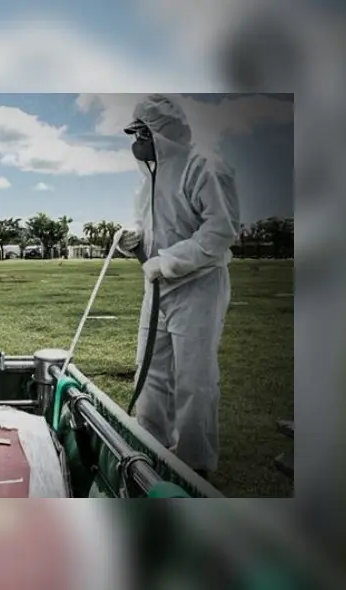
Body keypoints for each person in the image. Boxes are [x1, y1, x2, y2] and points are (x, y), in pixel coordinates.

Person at [115, 95, 241, 480]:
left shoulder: (205, 167)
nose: (136, 140)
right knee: (150, 369)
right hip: (158, 287)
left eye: (141, 131)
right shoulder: (148, 179)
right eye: (134, 132)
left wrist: (168, 261)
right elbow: (151, 226)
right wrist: (133, 240)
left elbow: (220, 231)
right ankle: (151, 443)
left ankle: (194, 461)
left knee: (194, 376)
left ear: (160, 132)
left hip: (198, 285)